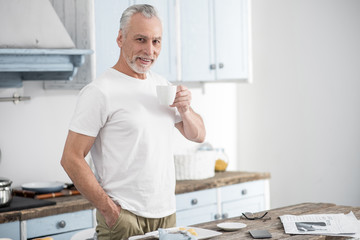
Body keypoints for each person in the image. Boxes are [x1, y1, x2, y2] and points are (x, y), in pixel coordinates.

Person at [60, 4, 206, 240]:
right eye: (141, 39)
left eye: (156, 41)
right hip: (125, 217)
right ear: (120, 38)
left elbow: (198, 134)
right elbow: (71, 158)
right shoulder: (100, 91)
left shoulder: (162, 87)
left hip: (167, 215)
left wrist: (186, 110)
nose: (149, 50)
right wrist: (109, 210)